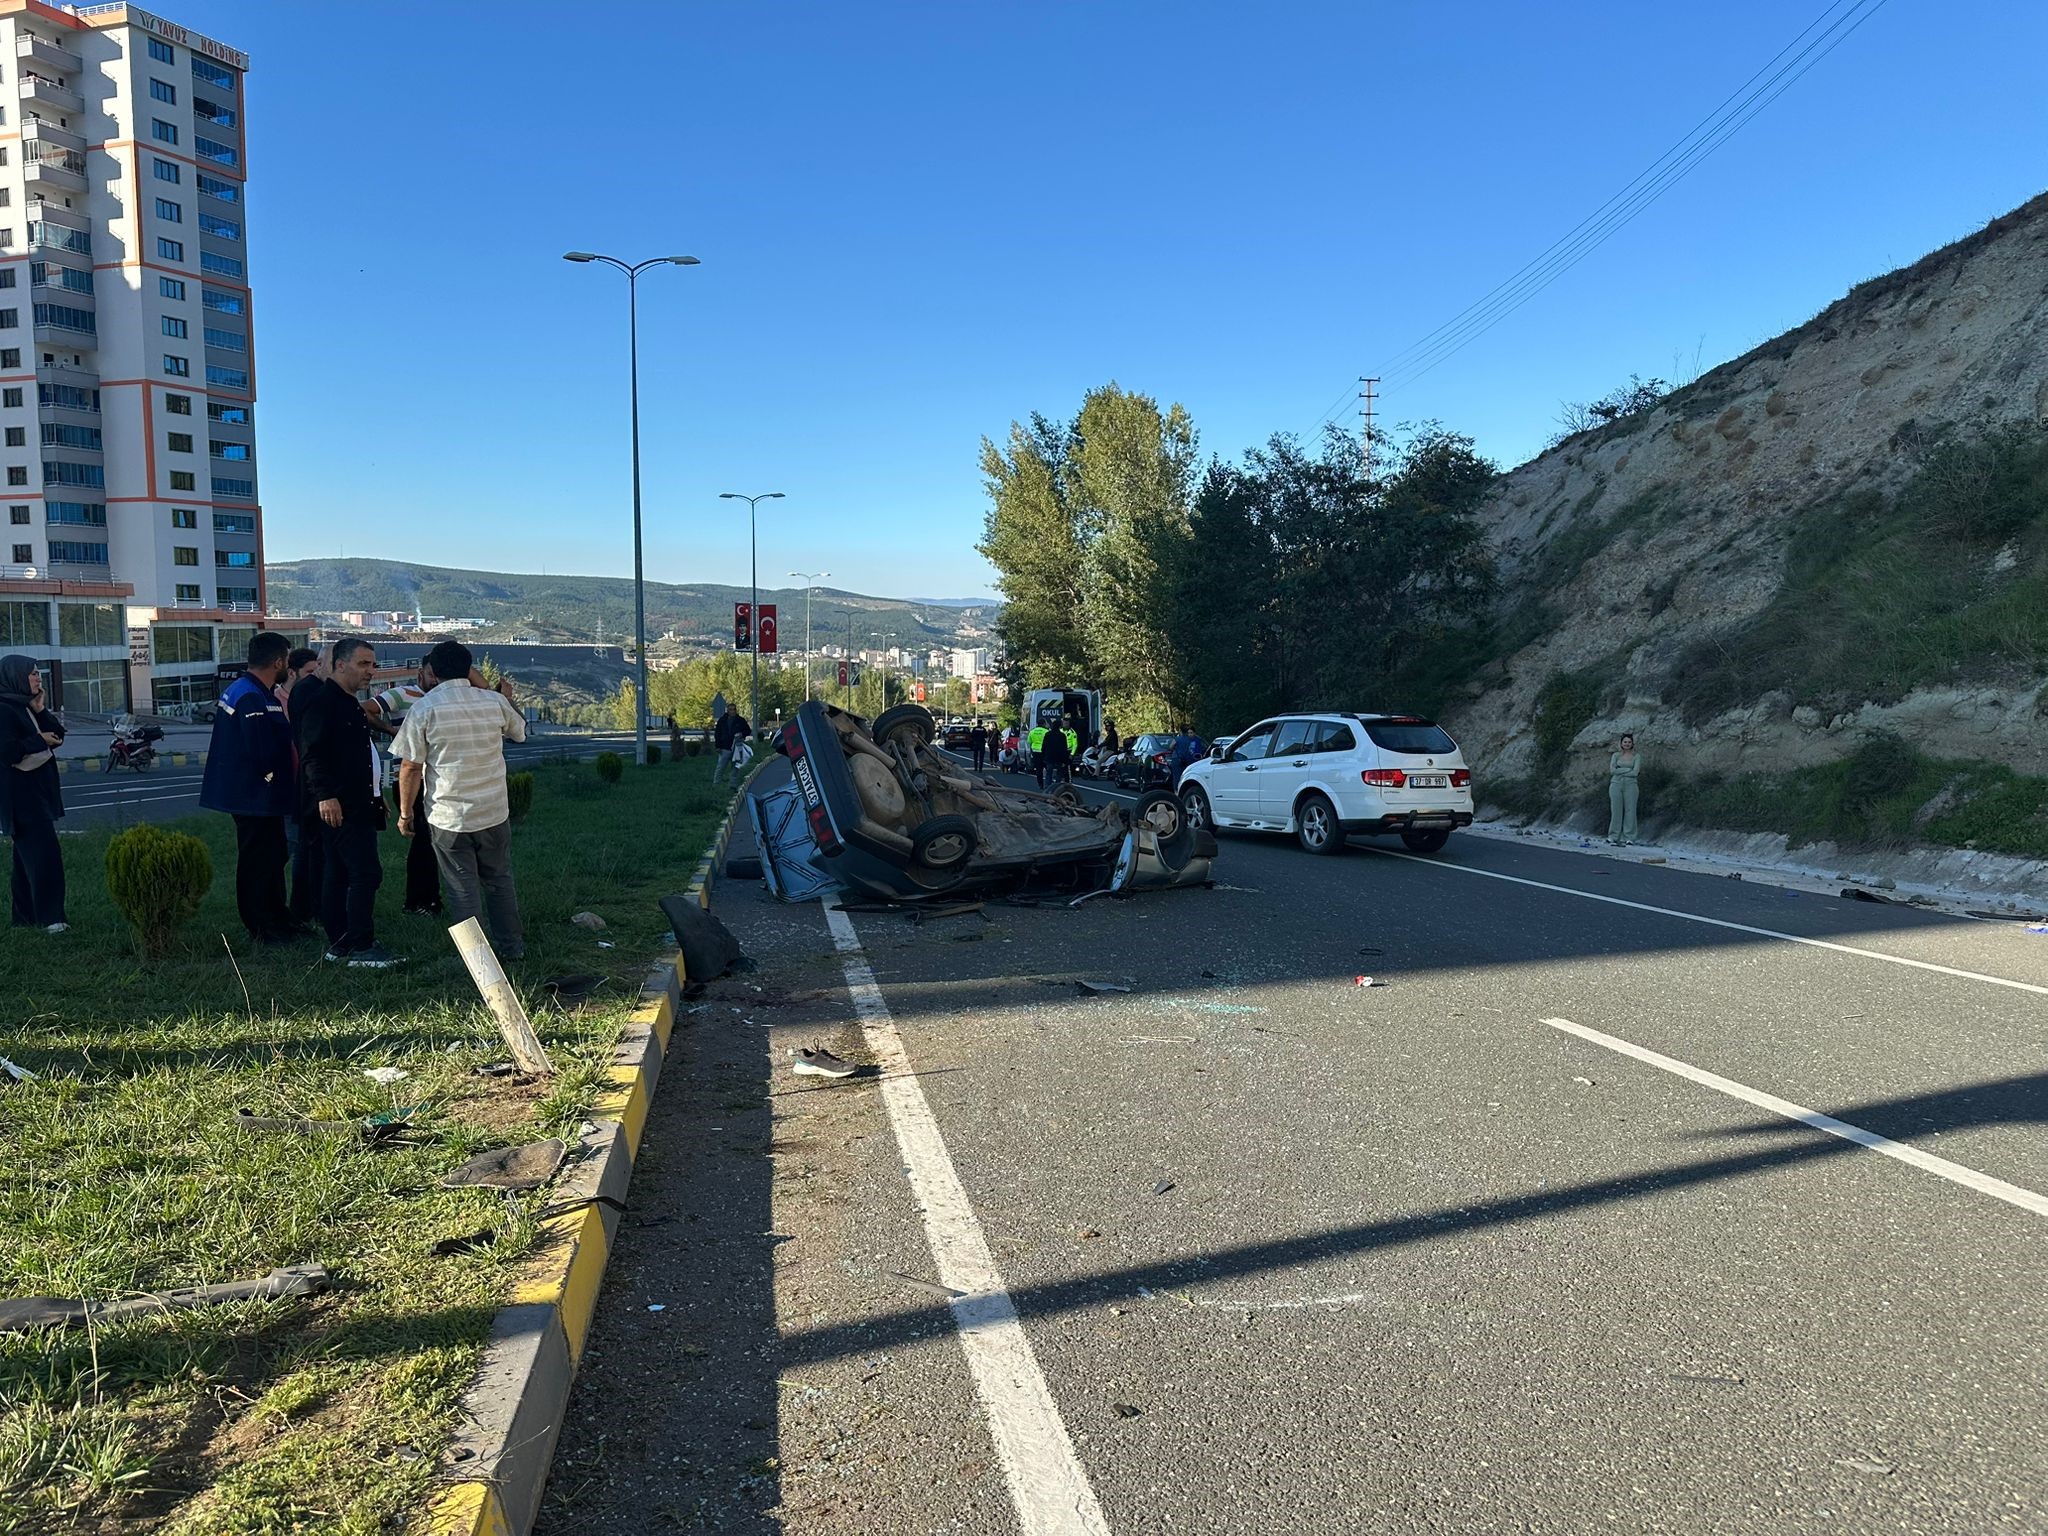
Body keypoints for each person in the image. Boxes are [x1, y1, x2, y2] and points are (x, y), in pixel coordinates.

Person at [393, 641, 527, 962]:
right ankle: (513, 949)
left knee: (461, 888)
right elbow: (519, 731)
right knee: (499, 880)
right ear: (470, 669)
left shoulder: (424, 709)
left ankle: (478, 961)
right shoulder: (493, 702)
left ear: (433, 672)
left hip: (448, 815)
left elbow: (411, 766)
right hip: (493, 810)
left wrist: (405, 812)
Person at [297, 637, 403, 967]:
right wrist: (326, 796)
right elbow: (312, 755)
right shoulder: (323, 702)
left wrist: (375, 795)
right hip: (340, 806)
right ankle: (361, 946)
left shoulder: (349, 703)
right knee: (363, 874)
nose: (370, 671)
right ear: (340, 665)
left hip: (358, 803)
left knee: (341, 873)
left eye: (373, 664)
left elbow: (360, 756)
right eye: (363, 664)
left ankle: (341, 943)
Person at [199, 631, 301, 945]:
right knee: (258, 860)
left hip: (259, 796)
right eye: (287, 659)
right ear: (278, 661)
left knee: (273, 855)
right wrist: (273, 777)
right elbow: (261, 750)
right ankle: (261, 925)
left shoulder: (254, 690)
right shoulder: (251, 696)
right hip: (254, 796)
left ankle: (277, 917)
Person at [365, 666, 442, 916]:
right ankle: (421, 901)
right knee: (424, 839)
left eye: (439, 674)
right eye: (432, 674)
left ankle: (423, 898)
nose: (435, 680)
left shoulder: (444, 698)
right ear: (421, 673)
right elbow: (365, 709)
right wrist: (389, 730)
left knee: (428, 840)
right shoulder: (402, 694)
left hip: (435, 779)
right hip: (409, 778)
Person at [1, 654, 67, 932]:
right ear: (16, 676)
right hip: (21, 796)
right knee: (45, 857)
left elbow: (58, 735)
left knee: (26, 858)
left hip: (36, 793)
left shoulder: (25, 706)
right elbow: (6, 752)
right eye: (32, 673)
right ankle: (51, 919)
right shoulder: (4, 709)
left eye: (38, 673)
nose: (38, 678)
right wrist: (37, 740)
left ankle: (24, 918)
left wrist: (41, 711)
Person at [281, 647, 324, 928]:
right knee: (297, 849)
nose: (313, 677)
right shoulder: (283, 700)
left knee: (305, 849)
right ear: (292, 672)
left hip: (304, 784)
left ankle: (306, 907)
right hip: (293, 784)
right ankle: (300, 909)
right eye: (309, 672)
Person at [1608, 732, 1642, 846]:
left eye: (1629, 742)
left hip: (1631, 785)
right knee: (1616, 810)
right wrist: (1628, 770)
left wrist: (1621, 769)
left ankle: (1629, 836)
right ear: (1621, 743)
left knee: (1630, 810)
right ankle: (1613, 836)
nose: (1627, 744)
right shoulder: (1616, 756)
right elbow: (1612, 771)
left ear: (1632, 744)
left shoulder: (1636, 756)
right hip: (1616, 784)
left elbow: (1635, 772)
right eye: (1625, 742)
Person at [712, 701, 751, 786]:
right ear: (727, 711)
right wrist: (717, 746)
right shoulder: (722, 721)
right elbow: (717, 734)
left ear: (736, 710)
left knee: (735, 768)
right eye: (730, 709)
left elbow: (748, 730)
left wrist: (742, 734)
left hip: (737, 748)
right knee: (721, 767)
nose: (732, 711)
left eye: (734, 709)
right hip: (725, 747)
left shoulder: (740, 720)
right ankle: (716, 785)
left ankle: (732, 785)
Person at [1166, 725, 1207, 789]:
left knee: (1177, 777)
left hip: (1177, 759)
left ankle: (1177, 792)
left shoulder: (1177, 739)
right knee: (1186, 776)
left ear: (1180, 731)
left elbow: (1170, 747)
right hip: (1187, 760)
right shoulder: (1192, 739)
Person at [1039, 714, 1073, 788]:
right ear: (1059, 726)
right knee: (1059, 773)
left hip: (1049, 757)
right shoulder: (1062, 736)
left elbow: (1044, 746)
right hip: (1059, 758)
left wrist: (1043, 755)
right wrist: (1065, 759)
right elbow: (1064, 748)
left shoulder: (1048, 734)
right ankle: (1056, 787)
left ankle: (1047, 787)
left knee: (1049, 773)